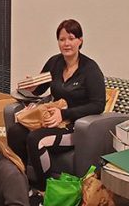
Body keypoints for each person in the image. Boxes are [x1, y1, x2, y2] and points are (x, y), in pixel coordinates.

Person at [7, 19, 106, 190]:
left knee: (35, 139)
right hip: (51, 120)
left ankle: (44, 190)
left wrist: (65, 114)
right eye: (62, 39)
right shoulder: (55, 63)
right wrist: (31, 87)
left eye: (71, 38)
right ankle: (21, 184)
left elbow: (98, 105)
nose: (66, 43)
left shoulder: (90, 69)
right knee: (15, 131)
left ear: (80, 41)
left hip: (75, 126)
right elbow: (39, 91)